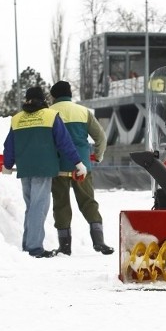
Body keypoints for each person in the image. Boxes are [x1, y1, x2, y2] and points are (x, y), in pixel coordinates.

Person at [3, 86, 87, 258]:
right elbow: (65, 143)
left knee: (31, 207)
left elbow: (9, 145)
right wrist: (78, 162)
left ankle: (28, 244)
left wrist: (7, 164)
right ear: (43, 100)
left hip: (25, 169)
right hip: (43, 168)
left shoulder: (17, 119)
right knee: (38, 207)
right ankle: (34, 248)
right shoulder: (50, 116)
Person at [49, 81, 114, 255]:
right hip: (82, 167)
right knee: (88, 202)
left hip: (58, 167)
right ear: (70, 94)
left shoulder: (48, 113)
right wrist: (98, 156)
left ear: (53, 96)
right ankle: (99, 241)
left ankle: (65, 247)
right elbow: (101, 137)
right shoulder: (83, 111)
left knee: (61, 205)